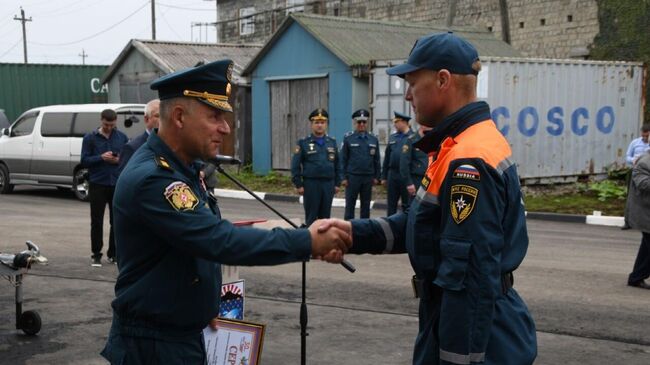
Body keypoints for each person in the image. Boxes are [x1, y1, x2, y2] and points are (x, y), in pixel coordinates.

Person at [100, 60, 351, 364]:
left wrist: (205, 307)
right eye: (215, 116)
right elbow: (218, 240)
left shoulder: (185, 170)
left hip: (179, 333)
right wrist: (307, 241)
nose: (226, 127)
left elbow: (191, 249)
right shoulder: (154, 178)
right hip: (154, 346)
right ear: (179, 117)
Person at [320, 32, 537, 364]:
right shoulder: (458, 144)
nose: (407, 95)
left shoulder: (470, 159)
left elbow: (468, 279)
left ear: (443, 80)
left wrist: (456, 359)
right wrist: (351, 233)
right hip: (464, 317)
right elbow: (423, 225)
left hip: (477, 328)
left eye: (411, 83)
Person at [80, 109, 128, 267]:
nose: (109, 128)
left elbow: (127, 160)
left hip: (116, 183)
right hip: (97, 183)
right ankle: (96, 254)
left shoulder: (122, 137)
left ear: (116, 122)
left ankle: (113, 254)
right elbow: (84, 160)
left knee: (117, 221)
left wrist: (118, 161)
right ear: (101, 120)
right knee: (97, 221)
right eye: (106, 124)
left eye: (112, 125)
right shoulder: (90, 138)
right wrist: (101, 158)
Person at [291, 108, 342, 225]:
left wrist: (337, 183)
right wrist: (298, 184)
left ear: (326, 124)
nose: (320, 125)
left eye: (322, 122)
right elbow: (295, 166)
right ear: (311, 124)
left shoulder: (332, 142)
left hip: (328, 185)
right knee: (311, 218)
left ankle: (324, 242)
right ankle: (311, 242)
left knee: (325, 219)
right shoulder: (303, 143)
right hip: (311, 185)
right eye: (317, 122)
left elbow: (338, 164)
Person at [340, 109, 381, 219]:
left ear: (367, 122)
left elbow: (377, 159)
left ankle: (364, 230)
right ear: (355, 123)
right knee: (350, 206)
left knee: (366, 206)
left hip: (368, 177)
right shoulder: (348, 138)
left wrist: (377, 176)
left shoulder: (373, 139)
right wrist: (343, 177)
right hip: (352, 177)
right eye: (359, 122)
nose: (362, 124)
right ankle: (348, 229)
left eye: (364, 122)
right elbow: (343, 159)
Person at [624, 149, 650, 289]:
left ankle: (636, 277)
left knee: (646, 250)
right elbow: (643, 184)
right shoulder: (644, 162)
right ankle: (636, 277)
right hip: (645, 213)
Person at [381, 111, 414, 215]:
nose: (395, 124)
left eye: (397, 122)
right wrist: (384, 177)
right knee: (391, 205)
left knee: (407, 205)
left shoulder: (413, 137)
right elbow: (387, 158)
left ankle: (404, 230)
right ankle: (389, 229)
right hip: (392, 175)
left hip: (406, 175)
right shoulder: (393, 137)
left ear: (404, 122)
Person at [117, 99, 160, 173]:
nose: (162, 119)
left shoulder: (173, 144)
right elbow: (124, 178)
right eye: (157, 116)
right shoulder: (132, 147)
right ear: (146, 119)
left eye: (165, 116)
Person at [622, 124, 650, 230]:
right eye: (643, 135)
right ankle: (627, 221)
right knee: (631, 198)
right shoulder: (635, 143)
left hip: (647, 174)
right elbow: (627, 156)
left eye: (647, 136)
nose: (644, 138)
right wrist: (634, 159)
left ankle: (640, 221)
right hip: (635, 172)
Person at [400, 124, 433, 200]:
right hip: (416, 179)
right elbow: (404, 163)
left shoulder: (432, 139)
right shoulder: (412, 140)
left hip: (429, 178)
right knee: (414, 205)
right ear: (422, 125)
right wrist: (409, 183)